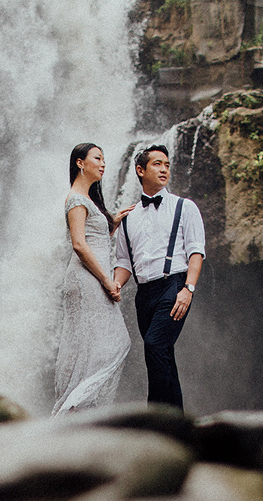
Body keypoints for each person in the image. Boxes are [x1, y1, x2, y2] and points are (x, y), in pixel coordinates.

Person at [114, 144, 205, 410]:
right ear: (140, 170)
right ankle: (175, 420)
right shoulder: (128, 219)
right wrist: (116, 284)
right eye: (157, 164)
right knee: (161, 353)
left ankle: (155, 416)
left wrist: (188, 289)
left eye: (166, 164)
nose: (164, 169)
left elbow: (196, 252)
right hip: (144, 295)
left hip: (174, 286)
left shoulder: (184, 207)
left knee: (154, 346)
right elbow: (123, 262)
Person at [52, 143, 134, 415]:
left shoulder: (86, 199)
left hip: (90, 278)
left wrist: (112, 223)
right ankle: (74, 407)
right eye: (97, 158)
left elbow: (93, 238)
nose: (103, 164)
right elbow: (79, 244)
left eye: (104, 159)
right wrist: (107, 280)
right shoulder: (76, 198)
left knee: (94, 342)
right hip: (88, 278)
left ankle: (81, 407)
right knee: (109, 341)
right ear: (80, 163)